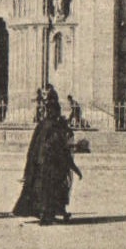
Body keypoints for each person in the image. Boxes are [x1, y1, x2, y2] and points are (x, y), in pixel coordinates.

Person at [13, 88, 82, 225]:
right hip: (50, 165)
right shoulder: (53, 126)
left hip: (39, 164)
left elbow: (34, 147)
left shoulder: (43, 125)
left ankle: (48, 214)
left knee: (42, 190)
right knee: (50, 190)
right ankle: (47, 216)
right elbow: (58, 147)